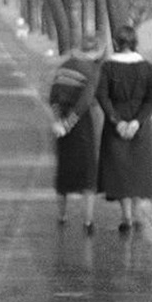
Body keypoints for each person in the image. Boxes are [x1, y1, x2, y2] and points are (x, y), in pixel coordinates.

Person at [95, 15, 152, 234]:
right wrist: (136, 122)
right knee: (138, 170)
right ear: (135, 43)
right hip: (140, 124)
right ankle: (136, 213)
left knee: (120, 171)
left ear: (116, 43)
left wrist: (116, 121)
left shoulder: (107, 68)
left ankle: (126, 216)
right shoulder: (147, 68)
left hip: (116, 124)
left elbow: (102, 97)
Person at [46, 40, 100, 221]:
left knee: (64, 171)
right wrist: (69, 123)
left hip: (61, 122)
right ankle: (88, 220)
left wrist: (59, 122)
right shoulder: (91, 70)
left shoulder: (63, 67)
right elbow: (85, 101)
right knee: (88, 175)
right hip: (82, 126)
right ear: (94, 53)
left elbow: (52, 97)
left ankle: (62, 215)